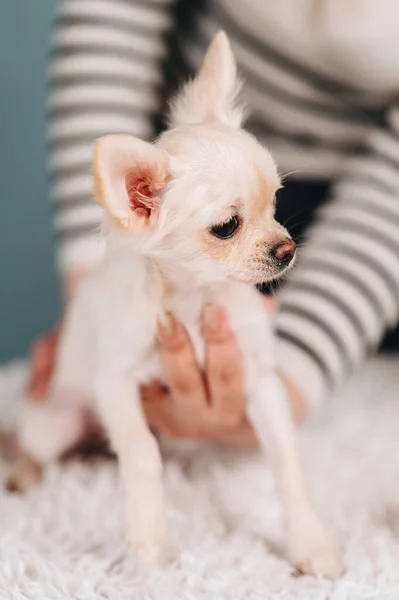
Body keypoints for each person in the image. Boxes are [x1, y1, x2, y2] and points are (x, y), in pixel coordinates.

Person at [29, 0, 399, 446]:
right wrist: (97, 285)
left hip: (366, 236)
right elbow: (115, 14)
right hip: (176, 186)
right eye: (227, 226)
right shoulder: (150, 189)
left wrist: (290, 374)